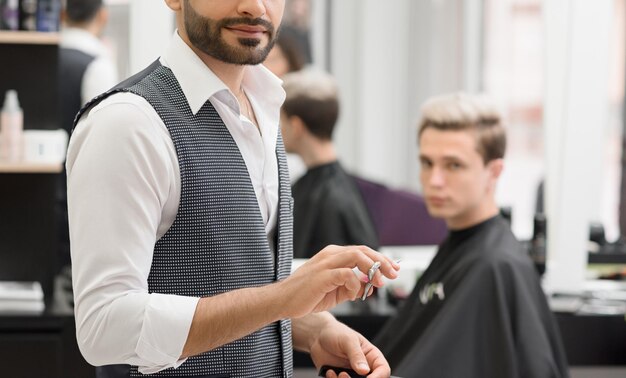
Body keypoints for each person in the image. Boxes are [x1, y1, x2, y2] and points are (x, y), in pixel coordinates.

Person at [66, 1, 399, 377]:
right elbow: (104, 328)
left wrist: (314, 330)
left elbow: (240, 283)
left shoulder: (265, 107)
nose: (255, 7)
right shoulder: (127, 124)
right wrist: (283, 299)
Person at [374, 93, 569, 378]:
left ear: (494, 172)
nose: (434, 180)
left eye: (453, 165)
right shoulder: (461, 246)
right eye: (427, 163)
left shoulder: (495, 265)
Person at [280, 69, 379, 258]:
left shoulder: (331, 199)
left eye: (281, 122)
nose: (278, 131)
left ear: (296, 126)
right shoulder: (339, 189)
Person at [59, 0, 118, 133]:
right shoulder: (98, 65)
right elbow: (101, 130)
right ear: (103, 16)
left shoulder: (39, 54)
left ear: (62, 14)